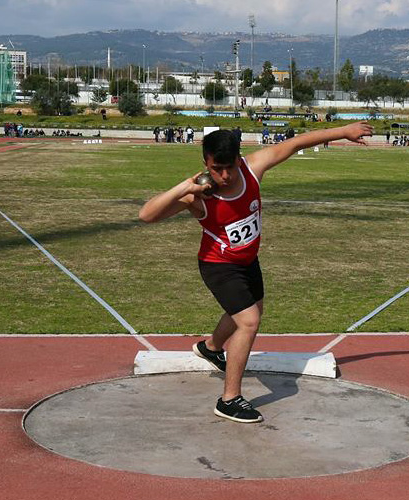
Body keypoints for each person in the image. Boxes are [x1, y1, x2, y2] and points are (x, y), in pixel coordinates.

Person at [138, 121, 374, 424]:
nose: (223, 176)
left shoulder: (254, 168)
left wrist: (343, 132)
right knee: (249, 321)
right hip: (218, 265)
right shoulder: (199, 196)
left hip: (248, 260)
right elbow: (146, 215)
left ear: (239, 160)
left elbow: (297, 143)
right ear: (206, 164)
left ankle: (210, 348)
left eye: (229, 168)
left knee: (250, 310)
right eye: (215, 168)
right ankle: (229, 400)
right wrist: (185, 187)